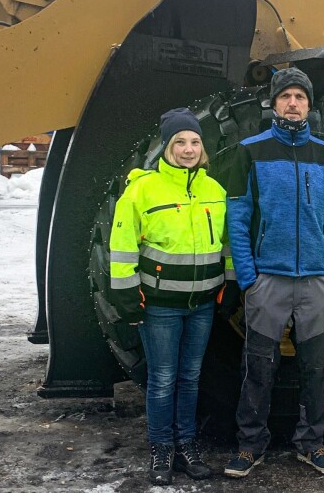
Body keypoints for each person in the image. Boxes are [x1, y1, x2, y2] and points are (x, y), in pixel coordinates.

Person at [223, 67, 324, 479]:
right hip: (268, 282)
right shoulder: (250, 151)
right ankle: (250, 445)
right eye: (285, 97)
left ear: (309, 106)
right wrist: (248, 278)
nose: (293, 103)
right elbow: (237, 219)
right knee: (259, 367)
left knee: (316, 369)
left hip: (316, 283)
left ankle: (312, 444)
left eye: (300, 97)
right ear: (273, 103)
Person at [109, 107, 231, 486]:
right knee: (163, 378)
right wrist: (127, 293)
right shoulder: (142, 189)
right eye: (180, 141)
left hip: (202, 304)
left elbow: (225, 243)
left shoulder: (214, 190)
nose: (188, 149)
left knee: (190, 377)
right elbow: (123, 243)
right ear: (167, 147)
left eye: (194, 141)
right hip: (159, 305)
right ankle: (162, 449)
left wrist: (228, 281)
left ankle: (187, 446)